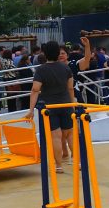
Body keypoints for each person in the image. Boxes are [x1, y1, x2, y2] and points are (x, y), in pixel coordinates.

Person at [25, 41, 75, 174]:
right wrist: (73, 105)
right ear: (58, 53)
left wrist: (31, 110)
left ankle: (58, 166)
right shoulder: (66, 68)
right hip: (66, 104)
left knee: (55, 137)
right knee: (70, 135)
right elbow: (70, 88)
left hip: (50, 106)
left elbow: (35, 90)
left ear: (44, 54)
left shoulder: (41, 70)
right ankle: (79, 162)